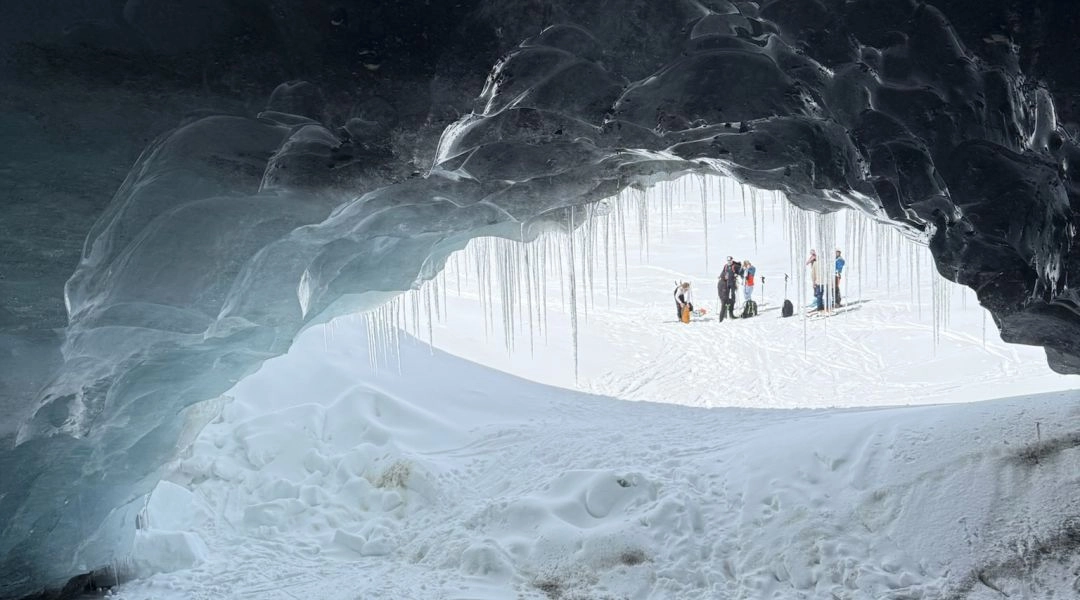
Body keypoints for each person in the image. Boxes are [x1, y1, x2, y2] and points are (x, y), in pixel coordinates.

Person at [717, 256, 739, 320]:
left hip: (732, 283)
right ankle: (725, 311)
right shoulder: (726, 266)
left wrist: (736, 274)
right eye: (728, 261)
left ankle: (731, 311)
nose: (729, 262)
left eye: (730, 260)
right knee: (725, 297)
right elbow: (723, 272)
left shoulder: (734, 266)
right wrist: (721, 276)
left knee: (733, 296)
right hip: (726, 284)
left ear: (732, 260)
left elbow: (739, 271)